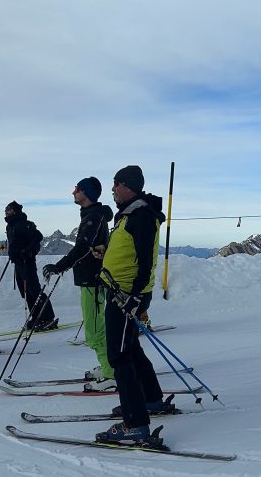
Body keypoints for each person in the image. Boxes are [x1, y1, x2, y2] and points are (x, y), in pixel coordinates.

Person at [96, 166, 169, 448]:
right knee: (131, 350)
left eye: (115, 184)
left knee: (119, 357)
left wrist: (135, 295)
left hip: (126, 295)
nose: (112, 189)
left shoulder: (141, 215)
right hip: (124, 292)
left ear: (128, 186)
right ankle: (150, 399)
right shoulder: (132, 214)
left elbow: (145, 259)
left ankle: (135, 423)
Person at [44, 177, 117, 385]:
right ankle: (108, 365)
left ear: (87, 193)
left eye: (77, 189)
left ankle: (110, 372)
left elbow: (82, 248)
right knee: (97, 325)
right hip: (92, 278)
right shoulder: (93, 215)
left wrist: (59, 267)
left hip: (91, 280)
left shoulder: (93, 216)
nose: (73, 192)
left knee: (94, 331)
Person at [2, 201, 59, 332]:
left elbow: (37, 237)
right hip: (18, 262)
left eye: (8, 209)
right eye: (5, 209)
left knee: (34, 290)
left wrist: (27, 252)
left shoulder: (23, 224)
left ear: (15, 211)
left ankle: (47, 317)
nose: (6, 211)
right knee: (25, 291)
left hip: (27, 262)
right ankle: (37, 317)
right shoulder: (10, 225)